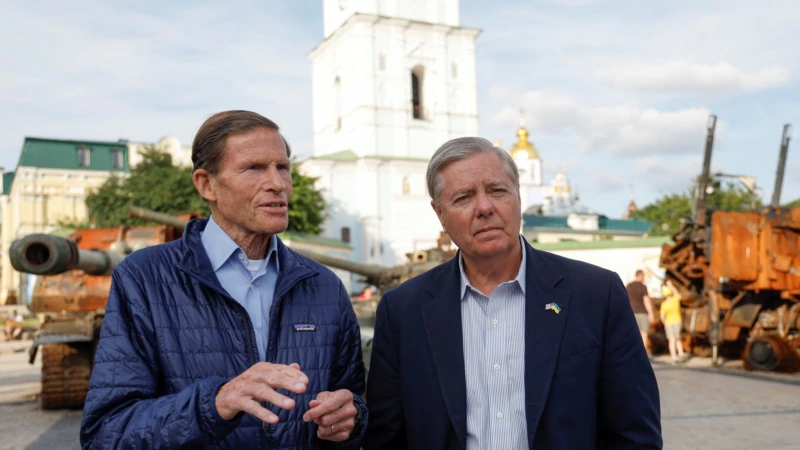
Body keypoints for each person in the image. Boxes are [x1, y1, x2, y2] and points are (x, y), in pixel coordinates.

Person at [80, 111, 367, 449]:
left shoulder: (324, 286)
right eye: (254, 168)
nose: (278, 183)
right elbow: (106, 433)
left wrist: (351, 419)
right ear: (207, 184)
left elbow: (354, 404)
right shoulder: (144, 278)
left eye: (283, 167)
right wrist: (215, 404)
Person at [364, 137, 662, 449]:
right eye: (463, 198)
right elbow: (385, 438)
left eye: (497, 190)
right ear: (440, 214)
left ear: (518, 196)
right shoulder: (403, 311)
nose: (484, 208)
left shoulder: (596, 295)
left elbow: (635, 434)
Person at [626, 269, 655, 351]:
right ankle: (643, 353)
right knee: (644, 333)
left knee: (632, 333)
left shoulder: (629, 286)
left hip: (631, 313)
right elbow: (646, 301)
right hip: (642, 313)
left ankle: (632, 352)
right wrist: (651, 313)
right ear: (641, 276)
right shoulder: (643, 287)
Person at [660, 280, 686, 364]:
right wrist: (671, 285)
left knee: (672, 340)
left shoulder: (664, 304)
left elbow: (662, 316)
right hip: (677, 321)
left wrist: (665, 323)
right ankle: (681, 354)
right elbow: (677, 294)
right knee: (678, 339)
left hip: (668, 323)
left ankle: (674, 356)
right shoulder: (675, 300)